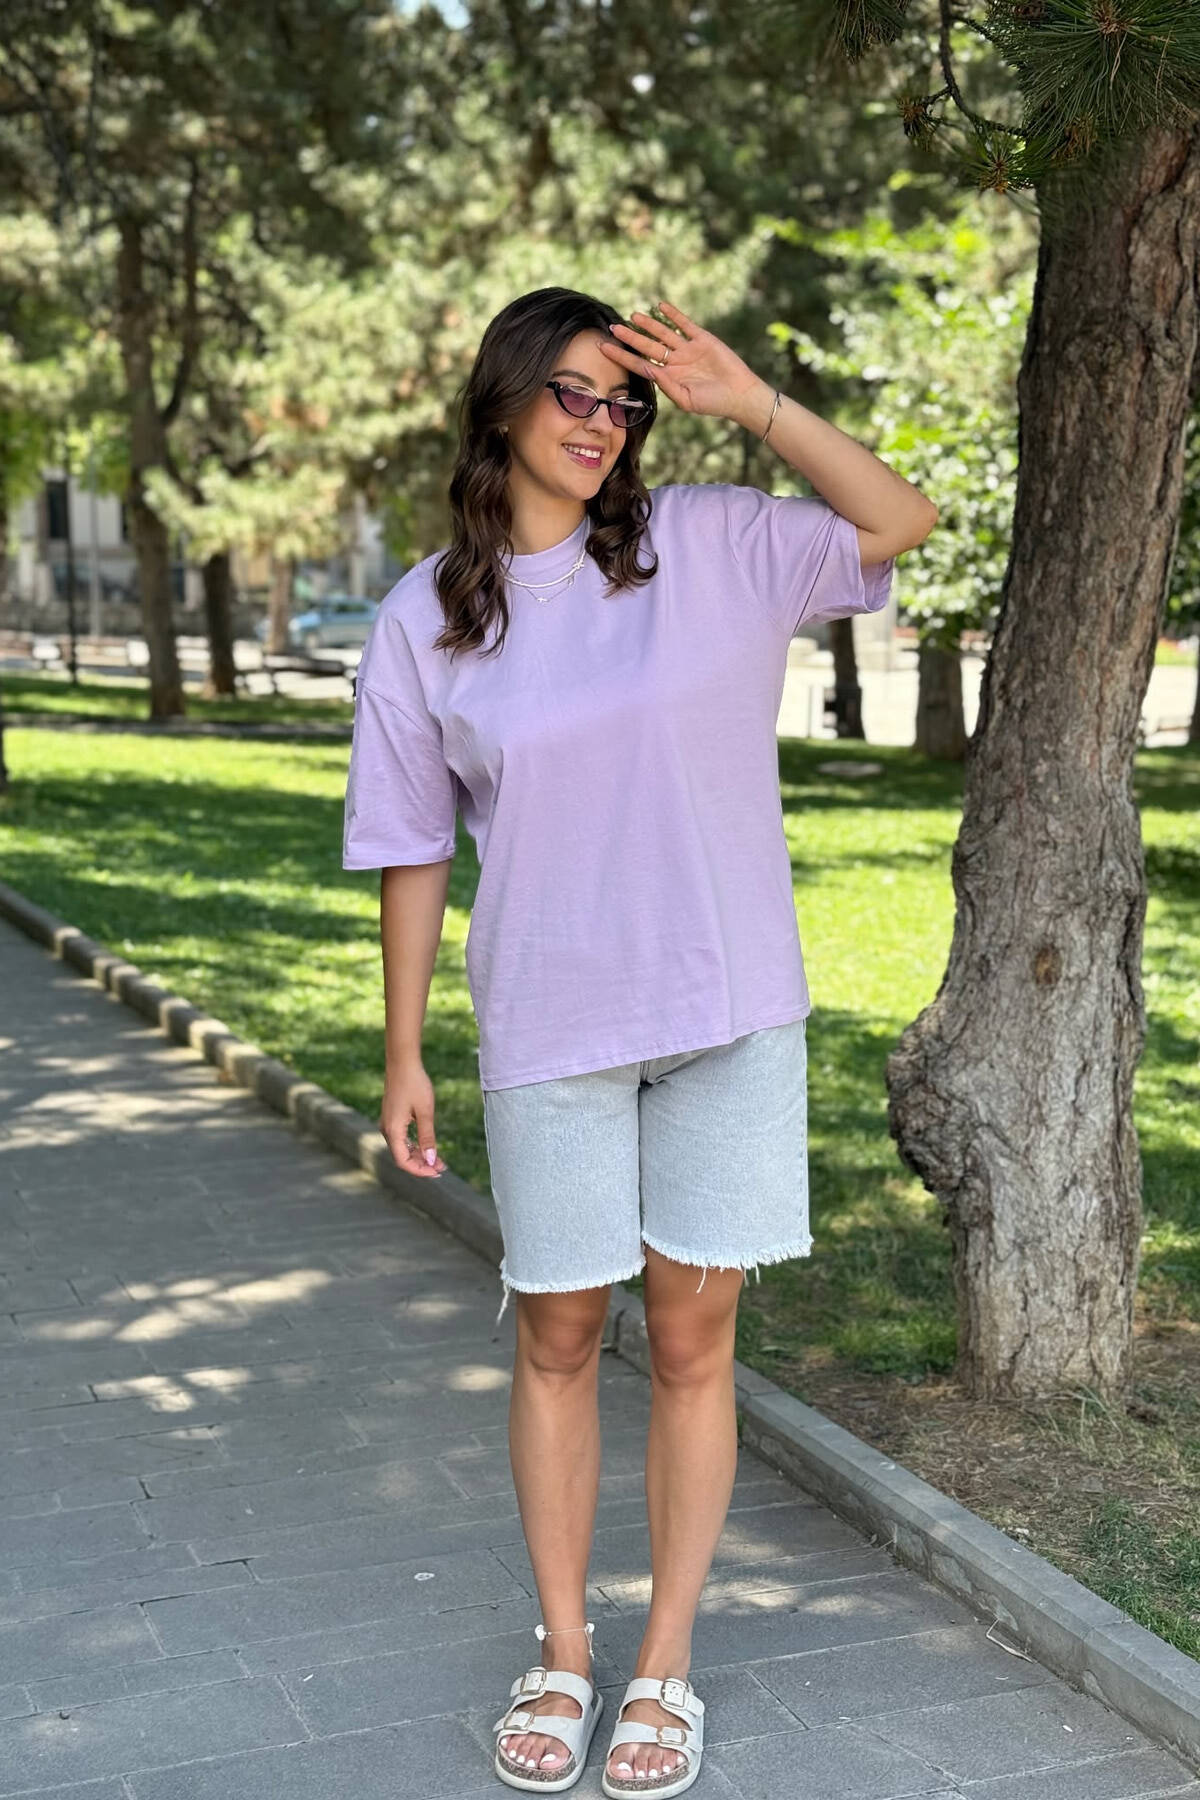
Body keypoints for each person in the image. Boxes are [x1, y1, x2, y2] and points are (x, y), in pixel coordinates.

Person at [342, 287, 937, 1798]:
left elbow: (899, 521)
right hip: (549, 1020)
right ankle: (564, 1651)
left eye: (624, 402)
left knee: (690, 1341)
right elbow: (412, 844)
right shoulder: (425, 618)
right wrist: (404, 1050)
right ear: (502, 401)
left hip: (728, 1013)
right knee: (556, 1336)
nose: (601, 424)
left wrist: (753, 403)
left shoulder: (712, 542)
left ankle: (663, 1663)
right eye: (573, 393)